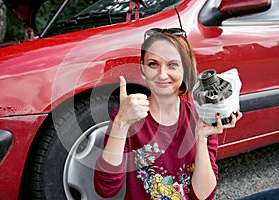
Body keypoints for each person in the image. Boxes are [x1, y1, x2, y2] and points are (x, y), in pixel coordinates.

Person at [94, 28, 242, 200]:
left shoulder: (201, 118)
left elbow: (203, 196)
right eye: (153, 64)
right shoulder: (127, 116)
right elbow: (105, 189)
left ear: (185, 70)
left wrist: (201, 140)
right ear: (143, 70)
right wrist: (120, 125)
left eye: (172, 64)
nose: (162, 75)